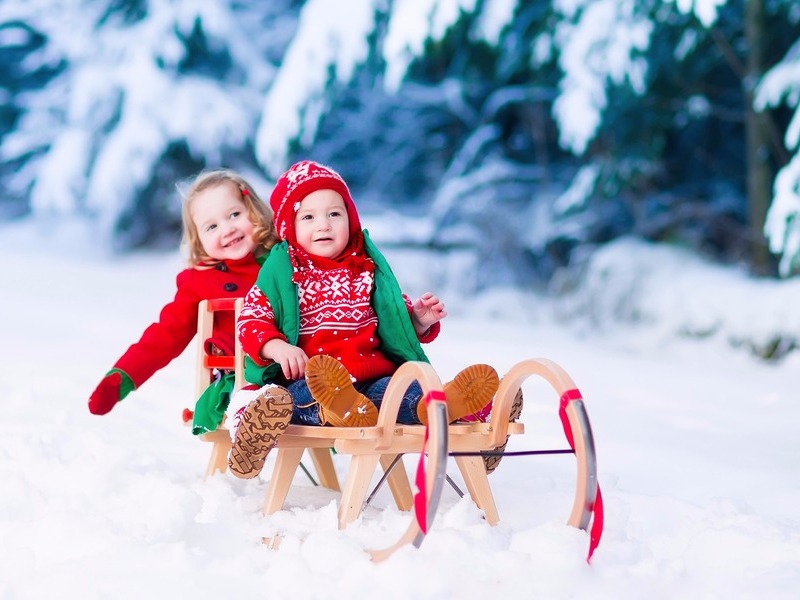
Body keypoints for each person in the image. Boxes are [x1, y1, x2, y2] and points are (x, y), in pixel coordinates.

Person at [224, 160, 499, 479]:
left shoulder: (364, 268)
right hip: (311, 380)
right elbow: (251, 319)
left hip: (372, 381)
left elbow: (394, 318)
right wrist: (277, 348)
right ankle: (338, 409)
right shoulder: (283, 271)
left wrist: (419, 319)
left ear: (351, 220)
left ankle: (443, 405)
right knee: (305, 397)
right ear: (290, 226)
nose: (323, 225)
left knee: (405, 392)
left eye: (334, 214)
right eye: (309, 217)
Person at [87, 169, 279, 432]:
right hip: (243, 378)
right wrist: (122, 377)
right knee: (250, 397)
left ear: (254, 210)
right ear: (198, 239)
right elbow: (165, 335)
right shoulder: (200, 282)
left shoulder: (282, 259)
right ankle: (252, 421)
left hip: (297, 366)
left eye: (234, 214)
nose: (228, 229)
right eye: (212, 226)